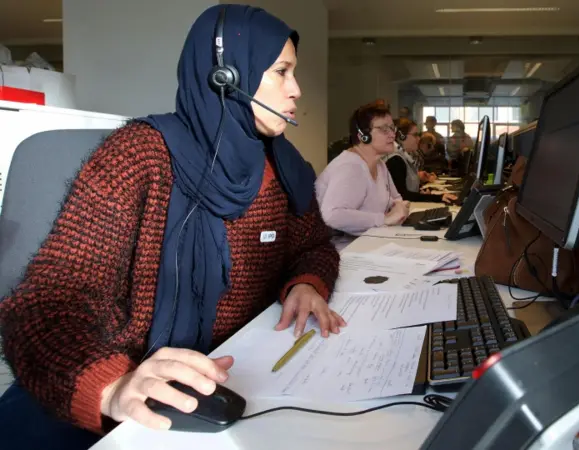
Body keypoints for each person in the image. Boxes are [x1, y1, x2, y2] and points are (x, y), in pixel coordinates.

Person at [0, 5, 345, 449]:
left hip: (221, 377)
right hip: (107, 387)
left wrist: (307, 282)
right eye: (281, 72)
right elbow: (43, 304)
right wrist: (113, 387)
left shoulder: (282, 166)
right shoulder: (138, 156)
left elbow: (314, 245)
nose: (297, 90)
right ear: (227, 76)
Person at [316, 102, 409, 236]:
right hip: (343, 248)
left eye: (392, 128)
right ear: (363, 136)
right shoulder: (350, 167)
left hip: (368, 240)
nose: (392, 135)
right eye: (384, 129)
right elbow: (332, 216)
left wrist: (399, 207)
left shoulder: (379, 164)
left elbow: (396, 198)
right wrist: (384, 219)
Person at [386, 118, 458, 203]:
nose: (418, 139)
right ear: (402, 136)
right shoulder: (395, 160)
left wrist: (425, 192)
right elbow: (403, 195)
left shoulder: (403, 157)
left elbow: (409, 189)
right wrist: (438, 198)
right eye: (415, 135)